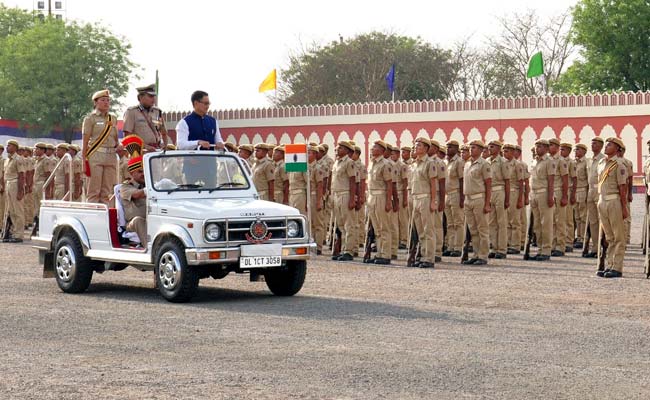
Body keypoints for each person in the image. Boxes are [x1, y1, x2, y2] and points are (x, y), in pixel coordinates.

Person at [596, 137, 629, 278]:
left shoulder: (619, 165)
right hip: (602, 201)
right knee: (609, 237)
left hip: (614, 201)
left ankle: (617, 267)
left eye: (609, 145)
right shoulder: (601, 163)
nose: (606, 146)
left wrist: (624, 207)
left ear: (617, 149)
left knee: (618, 236)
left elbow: (623, 188)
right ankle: (609, 265)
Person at [82, 89, 119, 205]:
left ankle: (105, 217)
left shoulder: (112, 119)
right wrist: (84, 160)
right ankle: (92, 217)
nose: (106, 103)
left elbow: (115, 138)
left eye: (108, 100)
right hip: (96, 155)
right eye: (103, 100)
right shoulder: (90, 118)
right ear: (95, 102)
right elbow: (85, 141)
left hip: (110, 156)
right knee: (94, 190)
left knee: (106, 191)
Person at [462, 140, 491, 265]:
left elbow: (488, 184)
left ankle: (483, 255)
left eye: (473, 148)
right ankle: (475, 254)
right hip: (468, 199)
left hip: (479, 198)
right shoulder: (467, 164)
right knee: (473, 229)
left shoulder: (484, 164)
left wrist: (487, 203)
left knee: (482, 229)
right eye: (470, 148)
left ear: (480, 150)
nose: (470, 150)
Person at [409, 137, 437, 268]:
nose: (416, 148)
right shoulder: (414, 164)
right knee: (420, 230)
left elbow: (433, 184)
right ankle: (422, 255)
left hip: (425, 198)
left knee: (428, 230)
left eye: (419, 146)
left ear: (426, 148)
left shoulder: (429, 163)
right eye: (415, 145)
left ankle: (429, 258)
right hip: (415, 198)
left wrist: (433, 201)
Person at [364, 140, 394, 265]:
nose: (372, 149)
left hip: (381, 196)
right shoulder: (371, 163)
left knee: (384, 227)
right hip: (371, 196)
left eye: (375, 147)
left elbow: (389, 184)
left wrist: (388, 201)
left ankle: (386, 254)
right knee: (377, 229)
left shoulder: (385, 164)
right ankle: (379, 253)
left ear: (382, 150)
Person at [331, 141, 359, 262]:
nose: (337, 149)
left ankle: (349, 251)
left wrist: (352, 198)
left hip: (345, 194)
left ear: (347, 151)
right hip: (336, 194)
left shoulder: (349, 163)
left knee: (349, 224)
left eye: (341, 148)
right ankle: (343, 249)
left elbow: (353, 181)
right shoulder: (336, 162)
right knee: (341, 225)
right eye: (337, 148)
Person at [529, 139, 556, 261]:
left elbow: (551, 180)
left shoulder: (549, 161)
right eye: (536, 146)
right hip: (534, 194)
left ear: (546, 148)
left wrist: (550, 196)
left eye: (540, 146)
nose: (537, 148)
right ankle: (539, 249)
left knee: (546, 224)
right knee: (537, 225)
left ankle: (546, 250)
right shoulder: (534, 161)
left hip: (544, 193)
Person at [122, 84, 169, 152]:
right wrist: (145, 146)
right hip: (139, 151)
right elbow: (127, 136)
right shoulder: (132, 112)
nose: (153, 99)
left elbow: (164, 132)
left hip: (156, 152)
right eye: (150, 96)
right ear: (140, 97)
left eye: (154, 96)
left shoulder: (157, 112)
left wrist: (165, 145)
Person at [487, 140, 510, 259]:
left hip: (500, 190)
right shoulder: (487, 162)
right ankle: (494, 247)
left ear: (498, 148)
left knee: (501, 222)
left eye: (492, 147)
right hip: (489, 192)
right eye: (489, 147)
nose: (489, 149)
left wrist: (507, 199)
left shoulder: (503, 162)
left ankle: (502, 249)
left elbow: (507, 181)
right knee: (491, 222)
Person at [120, 156, 147, 247]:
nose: (143, 174)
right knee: (138, 220)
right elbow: (137, 195)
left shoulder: (148, 185)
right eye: (140, 171)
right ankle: (150, 250)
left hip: (150, 219)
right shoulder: (125, 187)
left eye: (144, 171)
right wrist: (151, 189)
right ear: (132, 173)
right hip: (132, 224)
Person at [584, 137, 605, 258]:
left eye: (596, 144)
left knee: (601, 220)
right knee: (593, 222)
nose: (593, 146)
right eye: (592, 144)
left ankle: (603, 247)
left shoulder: (603, 159)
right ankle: (595, 247)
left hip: (599, 190)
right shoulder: (590, 160)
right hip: (590, 191)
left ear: (601, 146)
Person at [548, 138, 569, 257]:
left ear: (556, 147)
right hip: (550, 192)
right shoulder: (547, 160)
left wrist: (565, 196)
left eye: (551, 145)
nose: (549, 147)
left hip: (558, 192)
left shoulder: (561, 161)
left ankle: (560, 246)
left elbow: (565, 179)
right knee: (551, 221)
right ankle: (552, 244)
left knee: (559, 221)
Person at [443, 140, 464, 257]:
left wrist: (462, 197)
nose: (448, 149)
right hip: (447, 194)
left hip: (456, 193)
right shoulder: (446, 162)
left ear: (456, 149)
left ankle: (458, 247)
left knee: (458, 222)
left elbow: (462, 180)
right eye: (447, 147)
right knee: (450, 223)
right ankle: (450, 246)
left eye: (450, 147)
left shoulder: (459, 162)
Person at [503, 143, 524, 254]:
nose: (504, 153)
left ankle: (515, 245)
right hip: (504, 193)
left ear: (512, 152)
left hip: (514, 192)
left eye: (507, 151)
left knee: (514, 220)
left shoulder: (517, 165)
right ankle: (507, 242)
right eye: (504, 151)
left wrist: (520, 199)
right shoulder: (502, 163)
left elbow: (521, 183)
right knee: (505, 220)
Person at [3, 140, 25, 242]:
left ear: (15, 147)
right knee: (11, 211)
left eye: (9, 145)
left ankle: (19, 235)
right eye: (7, 145)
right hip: (8, 183)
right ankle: (14, 232)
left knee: (18, 210)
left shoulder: (18, 159)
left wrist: (20, 191)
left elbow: (21, 176)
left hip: (15, 184)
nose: (7, 147)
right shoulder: (7, 160)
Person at [428, 140, 446, 262]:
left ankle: (437, 251)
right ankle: (428, 250)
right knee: (428, 226)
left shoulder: (439, 163)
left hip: (437, 195)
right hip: (426, 195)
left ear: (435, 149)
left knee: (437, 225)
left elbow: (442, 183)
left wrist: (441, 201)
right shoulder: (424, 162)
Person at [560, 143, 577, 252]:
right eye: (560, 149)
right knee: (560, 219)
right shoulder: (557, 162)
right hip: (560, 191)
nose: (561, 151)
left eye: (563, 150)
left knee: (569, 219)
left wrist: (573, 195)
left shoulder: (571, 163)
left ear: (569, 151)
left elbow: (574, 179)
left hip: (569, 191)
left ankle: (569, 242)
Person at [32, 143, 52, 225]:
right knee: (36, 206)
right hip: (36, 184)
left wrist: (48, 190)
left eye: (37, 149)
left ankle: (42, 223)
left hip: (42, 184)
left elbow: (48, 175)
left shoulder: (46, 160)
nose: (35, 150)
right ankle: (37, 223)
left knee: (41, 205)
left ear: (42, 150)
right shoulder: (37, 160)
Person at [573, 144, 589, 248]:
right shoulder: (574, 163)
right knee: (577, 216)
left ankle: (583, 237)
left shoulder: (586, 163)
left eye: (578, 149)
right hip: (575, 191)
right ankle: (578, 236)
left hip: (583, 190)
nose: (575, 151)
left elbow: (588, 179)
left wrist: (588, 194)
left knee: (583, 216)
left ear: (583, 151)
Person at [515, 145, 530, 251]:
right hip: (509, 193)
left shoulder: (522, 165)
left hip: (519, 192)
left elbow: (526, 182)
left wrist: (526, 197)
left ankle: (521, 241)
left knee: (521, 219)